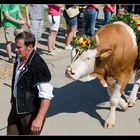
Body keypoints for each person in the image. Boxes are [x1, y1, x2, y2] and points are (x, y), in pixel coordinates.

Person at [7, 31, 54, 135]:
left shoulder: (38, 65)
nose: (15, 50)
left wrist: (39, 118)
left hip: (30, 113)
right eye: (15, 46)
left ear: (30, 47)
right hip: (16, 107)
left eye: (19, 47)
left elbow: (46, 96)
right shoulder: (19, 57)